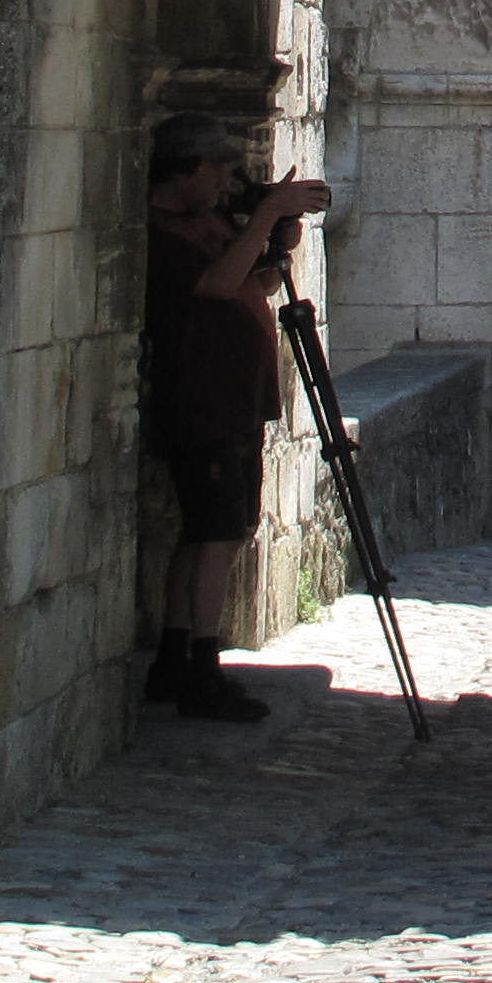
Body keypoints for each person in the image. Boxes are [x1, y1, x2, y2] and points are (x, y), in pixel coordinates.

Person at [142, 113, 331, 722]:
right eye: (218, 170)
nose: (226, 184)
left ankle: (175, 655)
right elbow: (219, 286)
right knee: (218, 535)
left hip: (232, 397)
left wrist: (274, 242)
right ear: (188, 168)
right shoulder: (159, 234)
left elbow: (255, 279)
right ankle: (202, 664)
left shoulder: (209, 222)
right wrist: (267, 215)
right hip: (202, 399)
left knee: (204, 533)